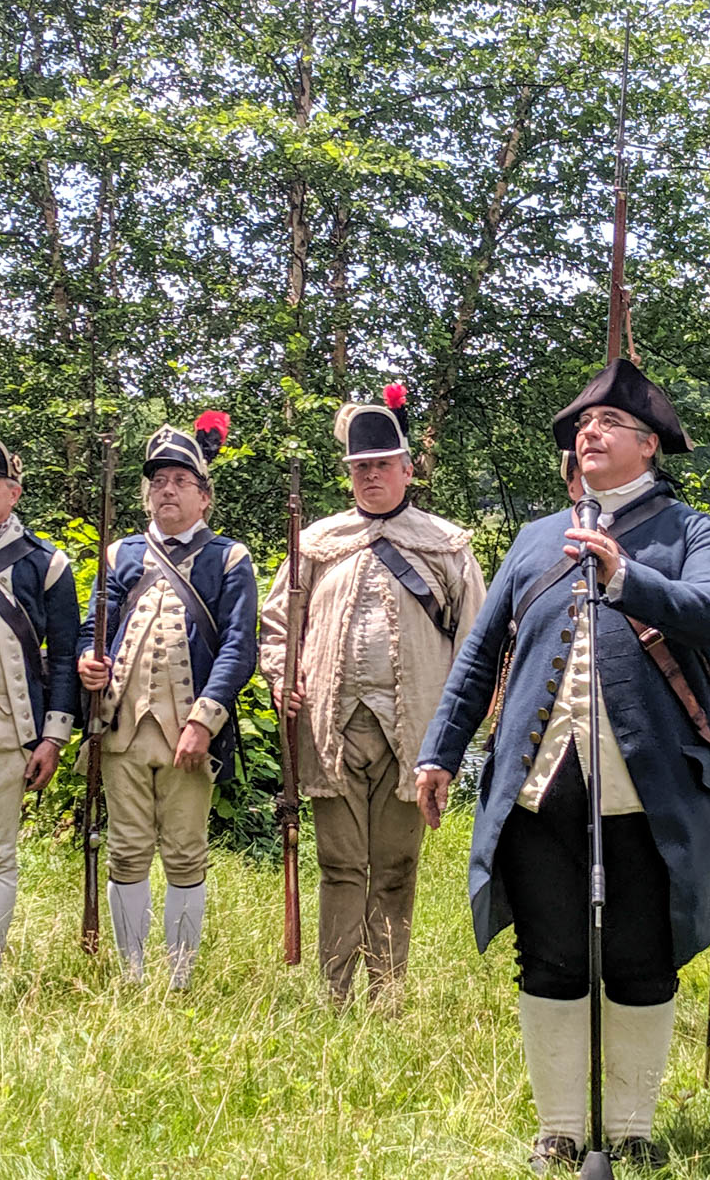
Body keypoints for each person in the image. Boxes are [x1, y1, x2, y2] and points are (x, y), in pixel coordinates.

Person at [416, 359, 710, 1171]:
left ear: (649, 445)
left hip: (650, 789)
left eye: (605, 426)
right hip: (539, 786)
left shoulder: (693, 531)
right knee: (551, 954)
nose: (587, 436)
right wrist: (440, 751)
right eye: (580, 429)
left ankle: (630, 1127)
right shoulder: (535, 537)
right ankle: (560, 1123)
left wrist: (626, 575)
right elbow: (482, 654)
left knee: (641, 957)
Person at [259, 384, 486, 1008]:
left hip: (414, 731)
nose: (371, 477)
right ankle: (334, 992)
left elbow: (477, 643)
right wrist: (282, 676)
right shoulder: (316, 543)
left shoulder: (447, 546)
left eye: (382, 465)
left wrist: (463, 728)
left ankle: (386, 993)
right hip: (332, 729)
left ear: (408, 470)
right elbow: (278, 626)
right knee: (337, 865)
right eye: (361, 468)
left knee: (394, 868)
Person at [77, 414, 257, 988]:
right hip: (122, 730)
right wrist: (88, 661)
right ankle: (132, 975)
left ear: (204, 496)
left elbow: (237, 645)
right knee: (126, 851)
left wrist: (205, 719)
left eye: (181, 480)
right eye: (158, 481)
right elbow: (92, 628)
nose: (167, 490)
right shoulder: (120, 554)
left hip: (188, 734)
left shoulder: (228, 559)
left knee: (184, 852)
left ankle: (178, 978)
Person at [0, 433, 80, 1003]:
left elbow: (64, 655)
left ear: (13, 493)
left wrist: (54, 737)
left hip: (6, 734)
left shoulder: (45, 563)